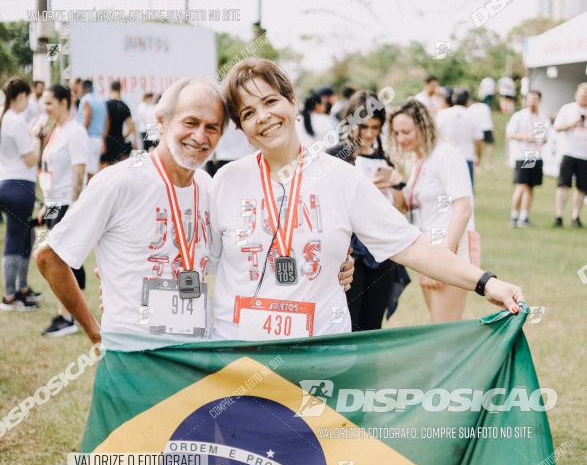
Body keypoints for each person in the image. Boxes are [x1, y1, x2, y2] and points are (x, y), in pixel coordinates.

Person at [211, 58, 523, 342]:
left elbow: (412, 246)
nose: (263, 117)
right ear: (243, 129)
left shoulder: (341, 178)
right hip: (239, 357)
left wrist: (486, 283)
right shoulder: (226, 181)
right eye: (248, 113)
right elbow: (192, 260)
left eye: (270, 101)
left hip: (318, 358)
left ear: (292, 102)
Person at [34, 77, 355, 350]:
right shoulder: (120, 181)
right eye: (190, 122)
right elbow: (50, 257)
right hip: (136, 354)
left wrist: (333, 261)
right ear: (161, 121)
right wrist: (95, 332)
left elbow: (233, 255)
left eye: (212, 127)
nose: (200, 136)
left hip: (196, 351)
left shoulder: (208, 185)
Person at [328, 90, 411, 331]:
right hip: (348, 252)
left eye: (375, 128)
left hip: (380, 250)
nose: (369, 134)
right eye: (363, 127)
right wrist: (363, 192)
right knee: (347, 321)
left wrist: (396, 185)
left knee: (373, 322)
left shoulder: (383, 159)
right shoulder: (334, 156)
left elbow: (400, 209)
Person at [389, 98, 478, 323]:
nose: (401, 138)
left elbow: (463, 209)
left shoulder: (445, 155)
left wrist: (444, 257)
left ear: (423, 126)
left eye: (406, 131)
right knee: (437, 325)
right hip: (426, 250)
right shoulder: (418, 160)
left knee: (445, 330)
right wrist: (395, 183)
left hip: (448, 249)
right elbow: (408, 207)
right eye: (396, 133)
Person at [38, 84, 89, 336]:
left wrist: (74, 208)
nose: (44, 107)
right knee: (59, 258)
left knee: (64, 260)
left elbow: (79, 170)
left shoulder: (75, 132)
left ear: (63, 102)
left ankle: (67, 317)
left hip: (67, 204)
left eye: (48, 103)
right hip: (53, 202)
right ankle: (69, 314)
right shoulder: (56, 131)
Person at [0, 78, 42, 311]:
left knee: (27, 237)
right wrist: (36, 138)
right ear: (21, 97)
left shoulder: (5, 118)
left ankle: (21, 288)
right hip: (19, 184)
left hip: (7, 181)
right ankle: (9, 296)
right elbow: (30, 159)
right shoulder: (15, 121)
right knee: (16, 240)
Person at [506, 90, 549, 228]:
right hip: (522, 154)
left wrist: (540, 139)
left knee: (530, 187)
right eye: (530, 99)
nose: (532, 101)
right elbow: (510, 134)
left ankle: (524, 217)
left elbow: (544, 137)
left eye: (535, 99)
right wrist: (527, 137)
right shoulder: (519, 116)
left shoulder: (542, 117)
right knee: (521, 185)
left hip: (535, 155)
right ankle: (514, 215)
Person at [553, 82, 587, 228]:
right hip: (568, 152)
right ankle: (559, 215)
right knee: (563, 185)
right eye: (582, 93)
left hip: (585, 155)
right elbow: (557, 127)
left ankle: (575, 217)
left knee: (581, 187)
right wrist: (572, 124)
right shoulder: (567, 109)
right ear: (576, 93)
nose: (584, 95)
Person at [435, 87, 483, 183]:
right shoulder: (473, 115)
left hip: (446, 157)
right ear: (467, 100)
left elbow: (435, 136)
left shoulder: (442, 114)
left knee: (445, 191)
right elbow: (478, 141)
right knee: (466, 190)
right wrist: (478, 157)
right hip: (466, 157)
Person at [77, 79, 107, 179]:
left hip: (88, 138)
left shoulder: (86, 99)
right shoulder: (100, 100)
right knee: (93, 169)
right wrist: (103, 139)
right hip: (98, 139)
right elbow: (106, 121)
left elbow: (87, 117)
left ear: (83, 88)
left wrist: (80, 135)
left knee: (87, 171)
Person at [102, 81, 135, 166]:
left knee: (107, 170)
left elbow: (104, 124)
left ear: (110, 89)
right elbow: (131, 127)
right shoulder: (124, 106)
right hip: (119, 141)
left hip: (107, 141)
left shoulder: (105, 105)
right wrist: (123, 137)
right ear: (120, 89)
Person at [467, 95, 494, 165]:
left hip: (479, 128)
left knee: (478, 146)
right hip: (488, 127)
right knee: (489, 145)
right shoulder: (485, 106)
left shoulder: (471, 108)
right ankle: (489, 163)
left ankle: (478, 163)